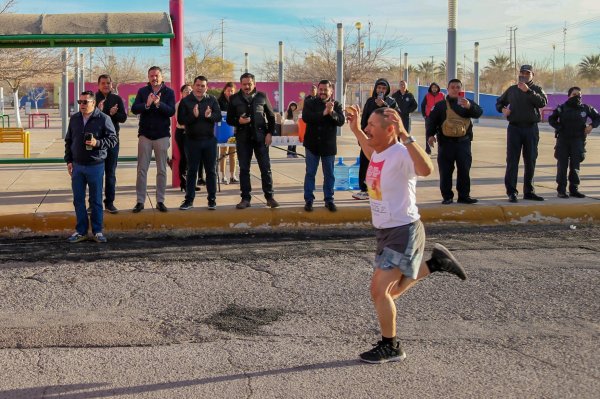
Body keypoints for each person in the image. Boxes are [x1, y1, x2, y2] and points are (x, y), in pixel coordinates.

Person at [345, 105, 466, 364]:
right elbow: (369, 149)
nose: (368, 130)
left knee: (379, 292)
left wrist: (406, 135)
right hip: (387, 231)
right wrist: (356, 129)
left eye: (371, 126)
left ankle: (391, 346)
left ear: (390, 129)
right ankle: (436, 264)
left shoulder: (401, 153)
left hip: (403, 230)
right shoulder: (380, 151)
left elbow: (426, 170)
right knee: (390, 291)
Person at [64, 90, 117, 243]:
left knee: (96, 200)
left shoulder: (103, 118)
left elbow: (113, 139)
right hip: (77, 166)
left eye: (85, 102)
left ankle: (97, 231)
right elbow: (69, 141)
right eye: (80, 102)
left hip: (95, 165)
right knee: (78, 199)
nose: (81, 105)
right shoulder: (74, 119)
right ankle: (81, 231)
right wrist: (68, 161)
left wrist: (97, 143)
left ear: (93, 103)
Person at [226, 72, 279, 209]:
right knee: (244, 169)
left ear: (254, 84)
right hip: (243, 139)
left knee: (265, 168)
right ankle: (245, 198)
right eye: (244, 84)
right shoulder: (234, 99)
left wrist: (269, 133)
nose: (247, 86)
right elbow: (229, 119)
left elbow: (271, 117)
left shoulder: (262, 96)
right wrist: (239, 121)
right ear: (240, 84)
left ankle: (269, 197)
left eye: (249, 84)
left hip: (261, 138)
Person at [496, 64, 548, 203]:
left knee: (530, 160)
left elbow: (543, 103)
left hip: (531, 129)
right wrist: (502, 109)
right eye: (522, 72)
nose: (524, 75)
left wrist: (528, 91)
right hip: (514, 128)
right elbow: (499, 102)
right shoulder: (512, 90)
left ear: (532, 75)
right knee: (512, 160)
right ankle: (511, 192)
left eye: (527, 73)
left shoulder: (536, 89)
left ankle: (529, 191)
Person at [426, 79, 483, 204]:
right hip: (446, 143)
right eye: (452, 87)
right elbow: (431, 121)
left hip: (463, 143)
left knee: (464, 170)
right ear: (448, 89)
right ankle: (447, 196)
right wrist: (430, 135)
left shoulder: (466, 103)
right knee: (445, 171)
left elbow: (479, 112)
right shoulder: (440, 105)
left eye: (458, 87)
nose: (455, 89)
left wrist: (469, 106)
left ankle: (464, 196)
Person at [130, 66, 176, 213]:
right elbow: (135, 109)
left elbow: (171, 111)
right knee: (141, 170)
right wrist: (147, 104)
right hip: (145, 135)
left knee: (162, 170)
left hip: (162, 135)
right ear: (148, 77)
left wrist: (158, 104)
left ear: (161, 76)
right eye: (151, 76)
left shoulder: (169, 92)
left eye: (156, 75)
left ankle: (160, 201)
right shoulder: (143, 91)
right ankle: (140, 201)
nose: (154, 78)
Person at [177, 76, 221, 210]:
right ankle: (189, 200)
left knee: (211, 171)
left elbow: (218, 116)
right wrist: (193, 116)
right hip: (192, 141)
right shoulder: (186, 101)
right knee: (191, 171)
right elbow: (181, 120)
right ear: (194, 86)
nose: (200, 88)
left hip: (209, 141)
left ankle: (212, 200)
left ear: (206, 87)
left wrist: (210, 116)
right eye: (197, 85)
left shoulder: (212, 100)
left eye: (203, 86)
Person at [548, 86, 600, 198]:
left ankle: (574, 189)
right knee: (562, 166)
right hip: (563, 140)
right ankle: (561, 190)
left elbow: (597, 118)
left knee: (575, 166)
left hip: (578, 140)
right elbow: (551, 119)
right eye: (574, 94)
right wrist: (559, 127)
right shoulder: (561, 108)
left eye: (579, 95)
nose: (577, 97)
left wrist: (591, 126)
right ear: (569, 96)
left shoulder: (586, 108)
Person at [353, 78, 400, 201]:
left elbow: (396, 117)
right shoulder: (370, 101)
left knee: (383, 165)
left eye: (384, 88)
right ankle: (364, 190)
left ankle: (382, 190)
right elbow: (364, 120)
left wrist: (384, 105)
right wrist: (361, 136)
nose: (381, 90)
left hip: (385, 142)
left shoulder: (392, 102)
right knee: (365, 163)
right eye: (379, 88)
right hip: (369, 138)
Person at [301, 79, 345, 212]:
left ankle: (329, 200)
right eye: (321, 89)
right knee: (310, 173)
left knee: (329, 174)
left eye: (326, 90)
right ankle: (309, 200)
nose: (323, 92)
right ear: (317, 90)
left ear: (331, 91)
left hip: (328, 146)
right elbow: (307, 118)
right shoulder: (309, 103)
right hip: (312, 145)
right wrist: (324, 113)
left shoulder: (336, 105)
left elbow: (341, 121)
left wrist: (332, 112)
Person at [94, 74, 127, 214]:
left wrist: (114, 113)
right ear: (98, 85)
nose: (106, 85)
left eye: (108, 83)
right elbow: (86, 117)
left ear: (111, 84)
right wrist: (99, 111)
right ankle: (94, 203)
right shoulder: (92, 98)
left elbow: (123, 118)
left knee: (110, 173)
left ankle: (109, 203)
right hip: (96, 142)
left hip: (112, 142)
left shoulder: (117, 99)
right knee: (95, 174)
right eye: (103, 83)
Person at [174, 84, 195, 192]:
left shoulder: (195, 103)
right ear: (181, 93)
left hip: (193, 133)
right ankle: (184, 183)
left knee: (193, 158)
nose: (189, 92)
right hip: (182, 132)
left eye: (190, 90)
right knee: (185, 157)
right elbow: (180, 121)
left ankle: (191, 183)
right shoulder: (179, 104)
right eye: (186, 90)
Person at [217, 82, 238, 185]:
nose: (230, 92)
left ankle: (233, 175)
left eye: (232, 91)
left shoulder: (237, 101)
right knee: (223, 153)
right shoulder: (219, 101)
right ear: (224, 90)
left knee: (233, 154)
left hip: (234, 131)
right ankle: (222, 175)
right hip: (223, 131)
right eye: (228, 90)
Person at [420, 82, 445, 155]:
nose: (434, 89)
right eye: (433, 87)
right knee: (428, 134)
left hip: (440, 118)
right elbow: (422, 105)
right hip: (429, 118)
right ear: (431, 88)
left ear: (438, 88)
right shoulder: (427, 96)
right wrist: (424, 115)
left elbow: (446, 105)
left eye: (435, 87)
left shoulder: (442, 95)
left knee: (440, 134)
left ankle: (441, 150)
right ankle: (428, 149)